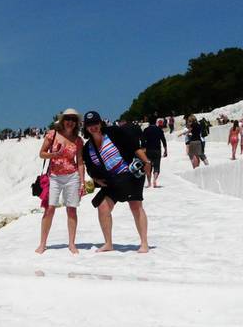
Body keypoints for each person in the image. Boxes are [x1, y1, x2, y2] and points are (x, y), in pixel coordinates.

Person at [81, 111, 151, 254]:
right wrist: (95, 179)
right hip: (113, 181)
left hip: (130, 174)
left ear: (100, 123)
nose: (93, 127)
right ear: (86, 128)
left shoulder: (113, 133)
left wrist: (146, 161)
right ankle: (108, 243)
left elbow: (133, 146)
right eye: (90, 125)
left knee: (136, 206)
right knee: (102, 208)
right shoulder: (87, 148)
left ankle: (144, 243)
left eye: (95, 123)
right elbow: (89, 167)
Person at [36, 108, 85, 255]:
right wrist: (54, 154)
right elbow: (41, 154)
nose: (70, 122)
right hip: (54, 176)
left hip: (72, 176)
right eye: (67, 119)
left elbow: (80, 162)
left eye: (73, 119)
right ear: (63, 120)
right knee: (50, 209)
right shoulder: (53, 134)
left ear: (76, 123)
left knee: (71, 209)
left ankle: (71, 243)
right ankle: (42, 243)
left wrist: (82, 182)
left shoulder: (78, 140)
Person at [142, 118, 168, 188]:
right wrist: (165, 150)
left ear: (149, 123)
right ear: (155, 123)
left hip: (149, 150)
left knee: (148, 166)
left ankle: (149, 183)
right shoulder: (159, 129)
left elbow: (143, 140)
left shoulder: (146, 130)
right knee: (157, 166)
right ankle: (155, 180)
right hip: (157, 150)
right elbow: (163, 140)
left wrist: (143, 149)